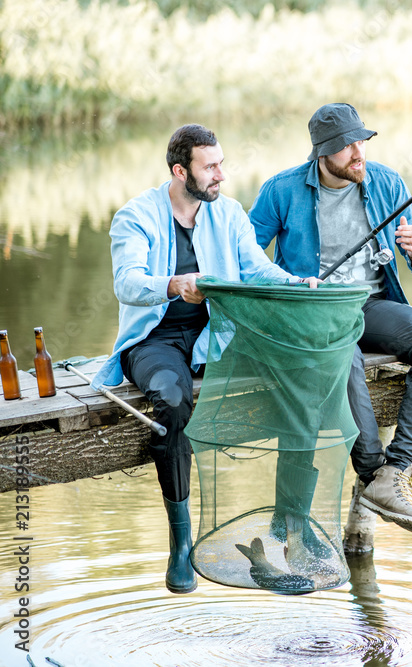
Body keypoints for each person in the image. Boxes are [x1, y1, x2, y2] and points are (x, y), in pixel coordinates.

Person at [90, 124, 319, 594]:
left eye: (221, 164)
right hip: (155, 340)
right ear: (180, 171)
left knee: (303, 374)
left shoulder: (229, 214)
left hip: (219, 336)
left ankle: (291, 520)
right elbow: (127, 283)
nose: (221, 175)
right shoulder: (133, 217)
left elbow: (258, 271)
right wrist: (174, 283)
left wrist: (298, 285)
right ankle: (180, 539)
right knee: (173, 403)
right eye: (210, 166)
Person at [249, 103, 412, 535]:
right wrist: (290, 285)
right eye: (347, 147)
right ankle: (372, 473)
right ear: (322, 154)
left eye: (361, 141)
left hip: (373, 305)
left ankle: (397, 469)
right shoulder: (281, 190)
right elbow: (243, 255)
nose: (358, 153)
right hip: (314, 313)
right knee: (344, 354)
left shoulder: (385, 181)